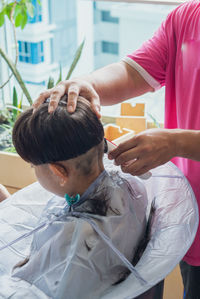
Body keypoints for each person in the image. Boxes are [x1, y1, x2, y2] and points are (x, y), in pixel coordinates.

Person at [33, 1, 200, 298]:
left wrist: (177, 143)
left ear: (59, 170)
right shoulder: (187, 18)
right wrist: (85, 85)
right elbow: (132, 73)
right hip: (193, 223)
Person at [11, 96, 150, 299]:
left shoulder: (74, 240)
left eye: (33, 166)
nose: (33, 171)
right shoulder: (132, 187)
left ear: (59, 172)